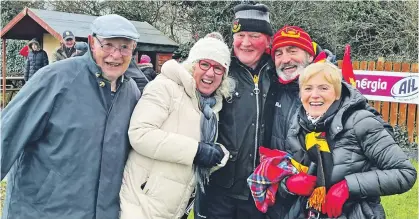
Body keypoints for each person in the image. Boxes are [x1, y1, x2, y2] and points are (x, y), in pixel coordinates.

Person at [1, 14, 141, 219]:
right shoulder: (55, 79)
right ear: (92, 43)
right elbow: (7, 135)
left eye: (124, 47)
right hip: (44, 211)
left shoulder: (131, 91)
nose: (116, 55)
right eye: (108, 45)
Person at [265, 61, 416, 218]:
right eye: (308, 88)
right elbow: (286, 173)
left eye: (324, 88)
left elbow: (405, 173)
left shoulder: (360, 122)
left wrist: (347, 187)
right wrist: (288, 184)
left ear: (337, 93)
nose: (314, 95)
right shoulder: (298, 126)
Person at [119, 32, 234, 219]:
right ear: (191, 65)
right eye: (204, 64)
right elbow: (140, 134)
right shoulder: (166, 87)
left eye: (218, 68)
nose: (210, 73)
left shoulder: (210, 107)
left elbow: (189, 154)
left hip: (174, 209)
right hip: (141, 204)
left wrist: (216, 155)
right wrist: (197, 151)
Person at [263, 25, 393, 152]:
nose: (285, 59)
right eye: (278, 54)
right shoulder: (272, 87)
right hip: (280, 171)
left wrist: (346, 166)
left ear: (310, 56)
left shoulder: (334, 86)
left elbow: (382, 138)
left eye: (292, 51)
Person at [202, 3, 276, 219]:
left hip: (261, 190)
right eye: (240, 35)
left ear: (268, 40)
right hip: (218, 187)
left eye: (254, 35)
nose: (245, 43)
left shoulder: (278, 72)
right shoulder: (220, 69)